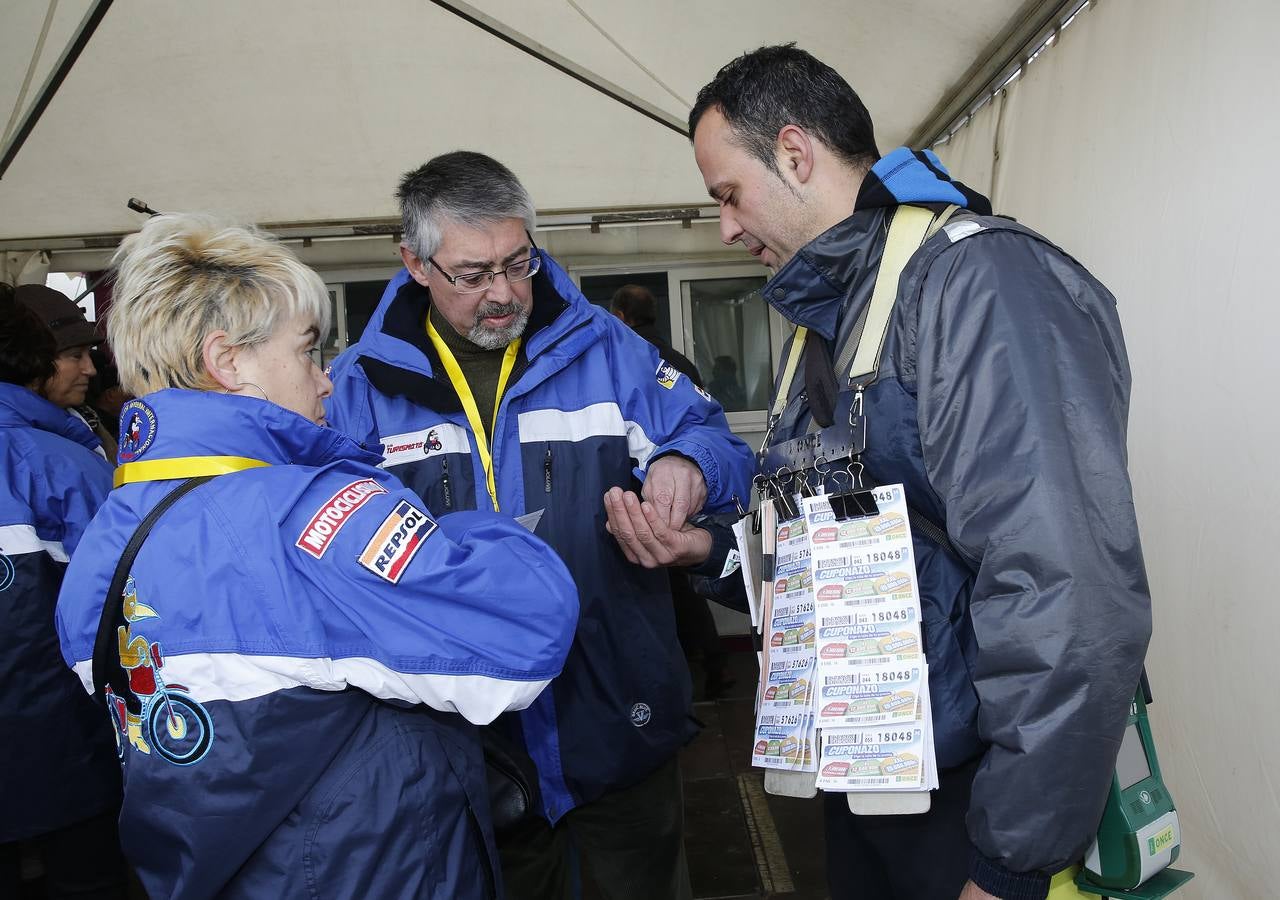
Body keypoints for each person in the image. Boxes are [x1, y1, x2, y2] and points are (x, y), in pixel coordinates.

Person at [688, 45, 1152, 900]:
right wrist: (708, 556)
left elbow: (1068, 589)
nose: (724, 227)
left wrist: (1009, 861)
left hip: (974, 811)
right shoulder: (821, 330)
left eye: (727, 194)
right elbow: (836, 549)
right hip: (870, 780)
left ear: (794, 154)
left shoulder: (977, 282)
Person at [54, 215, 579, 899]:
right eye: (306, 349)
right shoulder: (309, 513)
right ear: (228, 361)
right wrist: (477, 530)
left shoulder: (108, 533)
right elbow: (526, 630)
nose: (326, 380)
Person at [324, 152, 754, 900]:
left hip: (619, 720)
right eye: (472, 273)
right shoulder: (360, 388)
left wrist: (688, 460)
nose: (503, 293)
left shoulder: (606, 347)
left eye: (518, 263)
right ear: (415, 264)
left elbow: (716, 437)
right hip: (465, 750)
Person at [0, 283, 129, 899]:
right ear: (27, 356)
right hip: (68, 754)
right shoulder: (59, 464)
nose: (88, 367)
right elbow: (125, 610)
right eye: (72, 353)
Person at [609, 284, 735, 699]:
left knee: (660, 594)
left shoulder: (618, 358)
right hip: (680, 504)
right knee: (684, 588)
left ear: (623, 317)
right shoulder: (677, 360)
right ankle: (713, 670)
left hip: (637, 505)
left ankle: (670, 690)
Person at [16, 284, 116, 460]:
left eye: (89, 353)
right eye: (76, 356)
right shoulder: (15, 448)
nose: (91, 370)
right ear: (33, 361)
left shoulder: (88, 421)